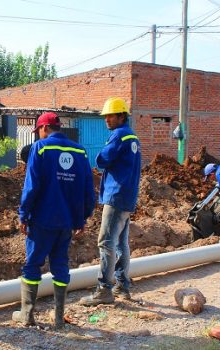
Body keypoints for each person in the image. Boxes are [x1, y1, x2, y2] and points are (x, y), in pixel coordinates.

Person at [15, 112, 95, 329]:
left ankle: (27, 316)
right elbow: (89, 188)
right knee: (60, 265)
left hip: (42, 219)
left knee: (32, 265)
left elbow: (31, 186)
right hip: (67, 222)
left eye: (38, 132)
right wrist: (82, 218)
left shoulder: (40, 149)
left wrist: (23, 214)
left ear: (43, 129)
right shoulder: (80, 151)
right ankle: (59, 318)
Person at [79, 97, 141, 306]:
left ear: (121, 116)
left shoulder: (119, 136)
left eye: (110, 116)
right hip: (128, 196)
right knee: (121, 243)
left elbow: (101, 160)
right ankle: (122, 286)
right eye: (105, 116)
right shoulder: (133, 137)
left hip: (116, 196)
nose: (106, 119)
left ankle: (104, 289)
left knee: (106, 242)